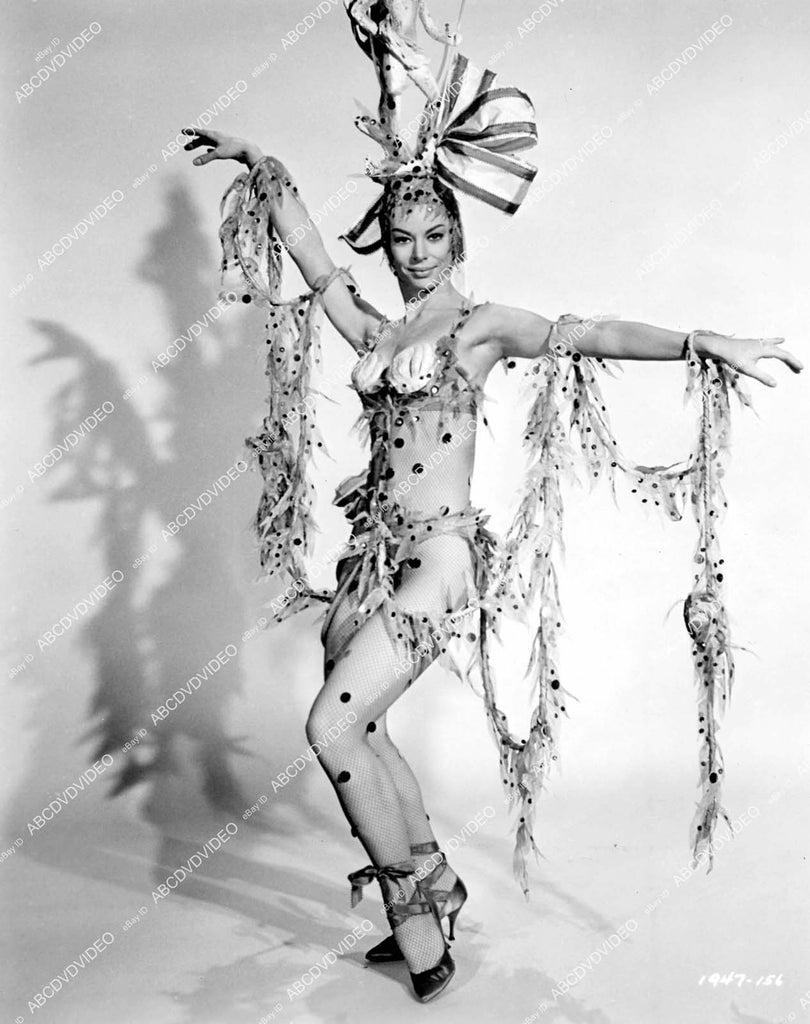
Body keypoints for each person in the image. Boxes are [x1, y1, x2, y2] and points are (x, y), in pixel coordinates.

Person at [181, 52, 801, 1006]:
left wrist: (698, 341)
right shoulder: (377, 333)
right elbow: (314, 261)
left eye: (433, 233)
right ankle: (435, 875)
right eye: (401, 236)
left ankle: (415, 921)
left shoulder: (478, 329)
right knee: (365, 726)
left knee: (330, 726)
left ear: (457, 235)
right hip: (371, 560)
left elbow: (584, 333)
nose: (416, 251)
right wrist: (261, 162)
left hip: (439, 557)